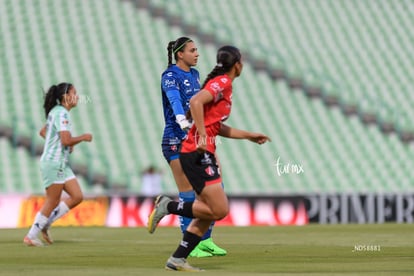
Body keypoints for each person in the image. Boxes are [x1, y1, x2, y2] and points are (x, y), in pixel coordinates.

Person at [148, 45, 271, 271]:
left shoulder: (224, 85)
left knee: (210, 211)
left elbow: (217, 125)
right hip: (195, 152)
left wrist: (248, 135)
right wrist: (202, 136)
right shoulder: (223, 82)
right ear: (238, 64)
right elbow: (195, 102)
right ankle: (169, 206)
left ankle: (178, 258)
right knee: (219, 209)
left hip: (202, 152)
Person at [159, 36, 226, 257]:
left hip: (196, 140)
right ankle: (190, 242)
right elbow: (174, 99)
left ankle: (205, 240)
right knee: (188, 193)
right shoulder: (170, 75)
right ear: (180, 54)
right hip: (175, 140)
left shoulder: (196, 75)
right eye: (193, 50)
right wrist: (181, 119)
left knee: (216, 187)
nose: (197, 53)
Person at [23, 83, 93, 246]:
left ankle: (45, 224)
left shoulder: (56, 112)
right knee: (52, 200)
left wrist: (61, 144)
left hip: (59, 162)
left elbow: (43, 132)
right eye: (74, 93)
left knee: (77, 196)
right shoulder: (62, 114)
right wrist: (82, 137)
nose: (77, 97)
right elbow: (65, 140)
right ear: (65, 96)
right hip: (53, 163)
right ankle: (31, 235)